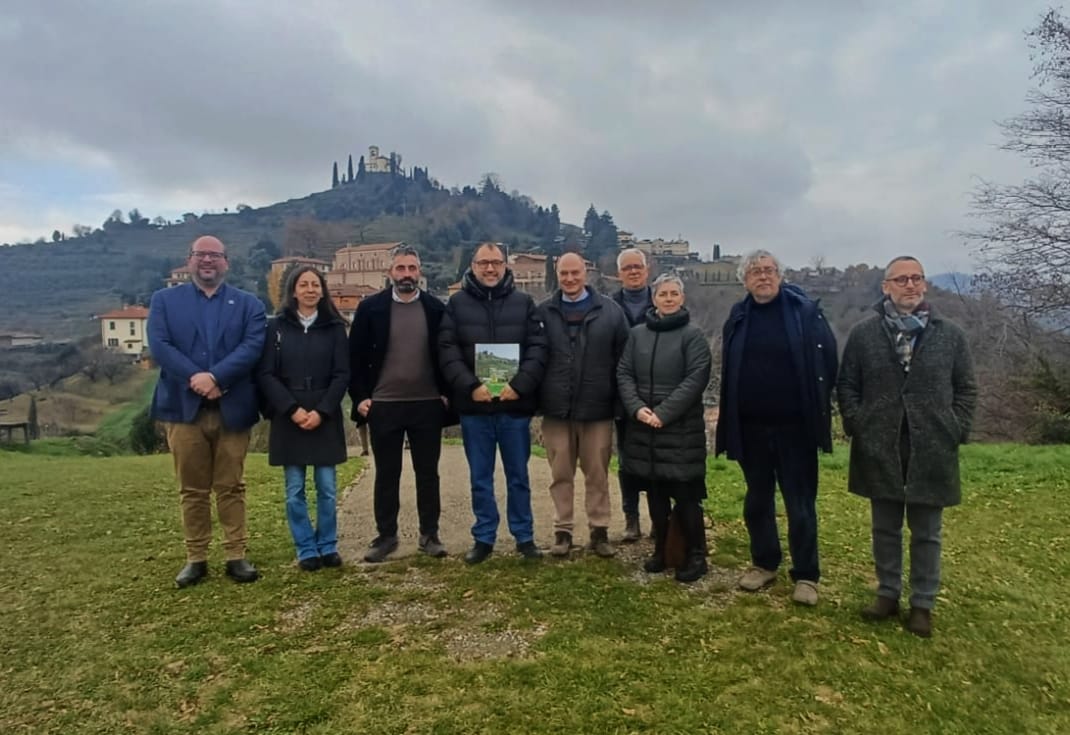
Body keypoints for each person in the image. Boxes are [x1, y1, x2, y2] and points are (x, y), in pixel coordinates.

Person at [837, 256, 978, 637]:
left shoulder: (950, 335)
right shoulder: (864, 334)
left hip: (932, 442)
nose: (910, 285)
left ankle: (922, 603)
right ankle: (887, 593)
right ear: (886, 287)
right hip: (879, 442)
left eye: (916, 278)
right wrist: (858, 424)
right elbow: (847, 385)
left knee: (927, 530)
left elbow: (966, 389)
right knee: (885, 527)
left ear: (925, 285)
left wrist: (955, 428)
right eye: (901, 279)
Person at [714, 250, 838, 606]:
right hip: (751, 427)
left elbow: (828, 361)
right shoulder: (738, 316)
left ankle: (806, 575)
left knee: (800, 503)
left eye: (769, 270)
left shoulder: (804, 313)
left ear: (780, 275)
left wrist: (816, 406)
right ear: (745, 280)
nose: (763, 277)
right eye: (755, 272)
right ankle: (764, 562)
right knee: (757, 500)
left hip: (795, 428)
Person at [147, 235, 265, 588]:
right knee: (192, 488)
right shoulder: (165, 301)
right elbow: (160, 345)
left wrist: (216, 377)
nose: (208, 261)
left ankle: (235, 554)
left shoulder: (248, 304)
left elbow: (253, 346)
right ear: (190, 261)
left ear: (226, 262)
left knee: (232, 486)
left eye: (214, 255)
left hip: (232, 406)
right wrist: (196, 378)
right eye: (201, 255)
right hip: (184, 409)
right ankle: (196, 557)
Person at [438, 242, 547, 564]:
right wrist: (470, 386)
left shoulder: (524, 303)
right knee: (480, 479)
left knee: (518, 477)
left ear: (505, 265)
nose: (490, 269)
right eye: (483, 263)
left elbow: (538, 349)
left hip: (514, 408)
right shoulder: (456, 305)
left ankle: (524, 537)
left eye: (496, 263)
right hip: (475, 409)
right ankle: (484, 537)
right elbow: (447, 350)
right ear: (472, 266)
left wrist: (520, 385)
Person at [349, 245, 454, 563]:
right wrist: (361, 399)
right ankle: (386, 536)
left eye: (411, 268)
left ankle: (429, 534)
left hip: (427, 404)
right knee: (387, 473)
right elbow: (355, 359)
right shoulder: (370, 309)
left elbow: (447, 353)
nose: (406, 274)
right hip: (384, 404)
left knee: (428, 473)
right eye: (400, 268)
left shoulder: (436, 309)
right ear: (389, 272)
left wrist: (446, 392)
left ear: (419, 271)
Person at [617, 273, 712, 582]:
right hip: (644, 427)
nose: (668, 299)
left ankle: (696, 555)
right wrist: (637, 409)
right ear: (653, 299)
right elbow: (624, 373)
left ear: (682, 298)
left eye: (674, 294)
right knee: (655, 495)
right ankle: (661, 549)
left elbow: (696, 378)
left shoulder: (693, 336)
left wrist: (664, 413)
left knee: (686, 496)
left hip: (680, 429)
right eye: (662, 294)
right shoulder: (637, 335)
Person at [537, 252, 630, 558]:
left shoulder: (612, 312)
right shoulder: (543, 313)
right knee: (560, 474)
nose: (570, 279)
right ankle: (562, 531)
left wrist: (618, 404)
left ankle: (599, 530)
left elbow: (623, 362)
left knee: (598, 474)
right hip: (556, 409)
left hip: (597, 408)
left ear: (586, 273)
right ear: (557, 274)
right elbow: (534, 360)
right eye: (564, 273)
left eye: (575, 272)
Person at [257, 266, 349, 571]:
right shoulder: (276, 327)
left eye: (315, 284)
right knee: (294, 489)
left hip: (324, 413)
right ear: (293, 291)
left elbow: (342, 375)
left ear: (322, 291)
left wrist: (322, 411)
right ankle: (306, 548)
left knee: (327, 487)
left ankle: (328, 545)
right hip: (289, 414)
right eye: (303, 284)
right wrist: (292, 410)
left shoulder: (335, 328)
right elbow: (266, 374)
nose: (310, 289)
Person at [612, 247, 655, 542]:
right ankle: (631, 518)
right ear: (619, 274)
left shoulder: (662, 301)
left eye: (637, 266)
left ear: (647, 269)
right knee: (628, 460)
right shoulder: (609, 307)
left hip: (658, 393)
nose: (633, 272)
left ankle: (659, 517)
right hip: (622, 395)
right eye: (627, 268)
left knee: (659, 458)